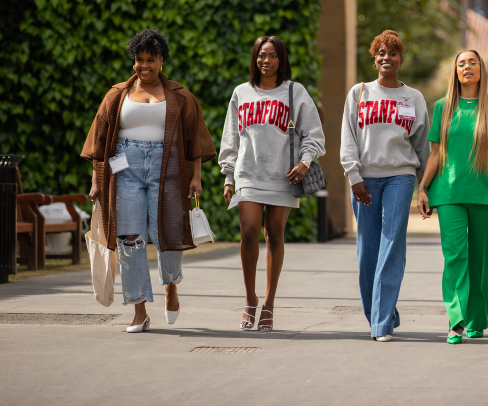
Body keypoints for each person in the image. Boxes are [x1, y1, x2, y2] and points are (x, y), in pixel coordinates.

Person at [82, 29, 216, 333]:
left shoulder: (180, 96)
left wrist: (195, 176)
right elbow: (100, 143)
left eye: (151, 59)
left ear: (161, 61)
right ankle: (139, 311)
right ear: (133, 62)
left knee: (168, 233)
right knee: (130, 239)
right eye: (139, 59)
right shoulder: (117, 95)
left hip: (166, 169)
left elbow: (194, 140)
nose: (144, 65)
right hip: (125, 169)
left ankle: (170, 285)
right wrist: (96, 181)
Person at [219, 35, 325, 331]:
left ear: (282, 60)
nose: (266, 61)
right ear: (255, 58)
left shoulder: (295, 92)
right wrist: (229, 176)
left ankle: (269, 304)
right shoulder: (241, 92)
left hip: (283, 177)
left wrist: (305, 162)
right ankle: (250, 299)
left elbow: (314, 134)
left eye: (273, 56)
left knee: (274, 235)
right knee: (249, 231)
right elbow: (231, 137)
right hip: (248, 174)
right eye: (261, 55)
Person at [417, 50, 488, 345]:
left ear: (481, 69)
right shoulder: (442, 108)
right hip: (448, 193)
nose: (467, 67)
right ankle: (456, 321)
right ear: (455, 72)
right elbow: (435, 153)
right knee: (455, 256)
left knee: (481, 260)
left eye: (473, 62)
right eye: (461, 63)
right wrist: (423, 187)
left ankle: (475, 321)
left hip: (486, 193)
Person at [340, 30, 430, 342]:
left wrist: (424, 187)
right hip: (365, 179)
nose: (386, 58)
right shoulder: (359, 93)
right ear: (374, 57)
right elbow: (347, 138)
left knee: (392, 246)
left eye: (392, 53)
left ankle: (379, 324)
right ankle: (384, 313)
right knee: (368, 251)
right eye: (380, 52)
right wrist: (354, 177)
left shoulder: (413, 98)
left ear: (401, 59)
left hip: (400, 177)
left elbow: (422, 147)